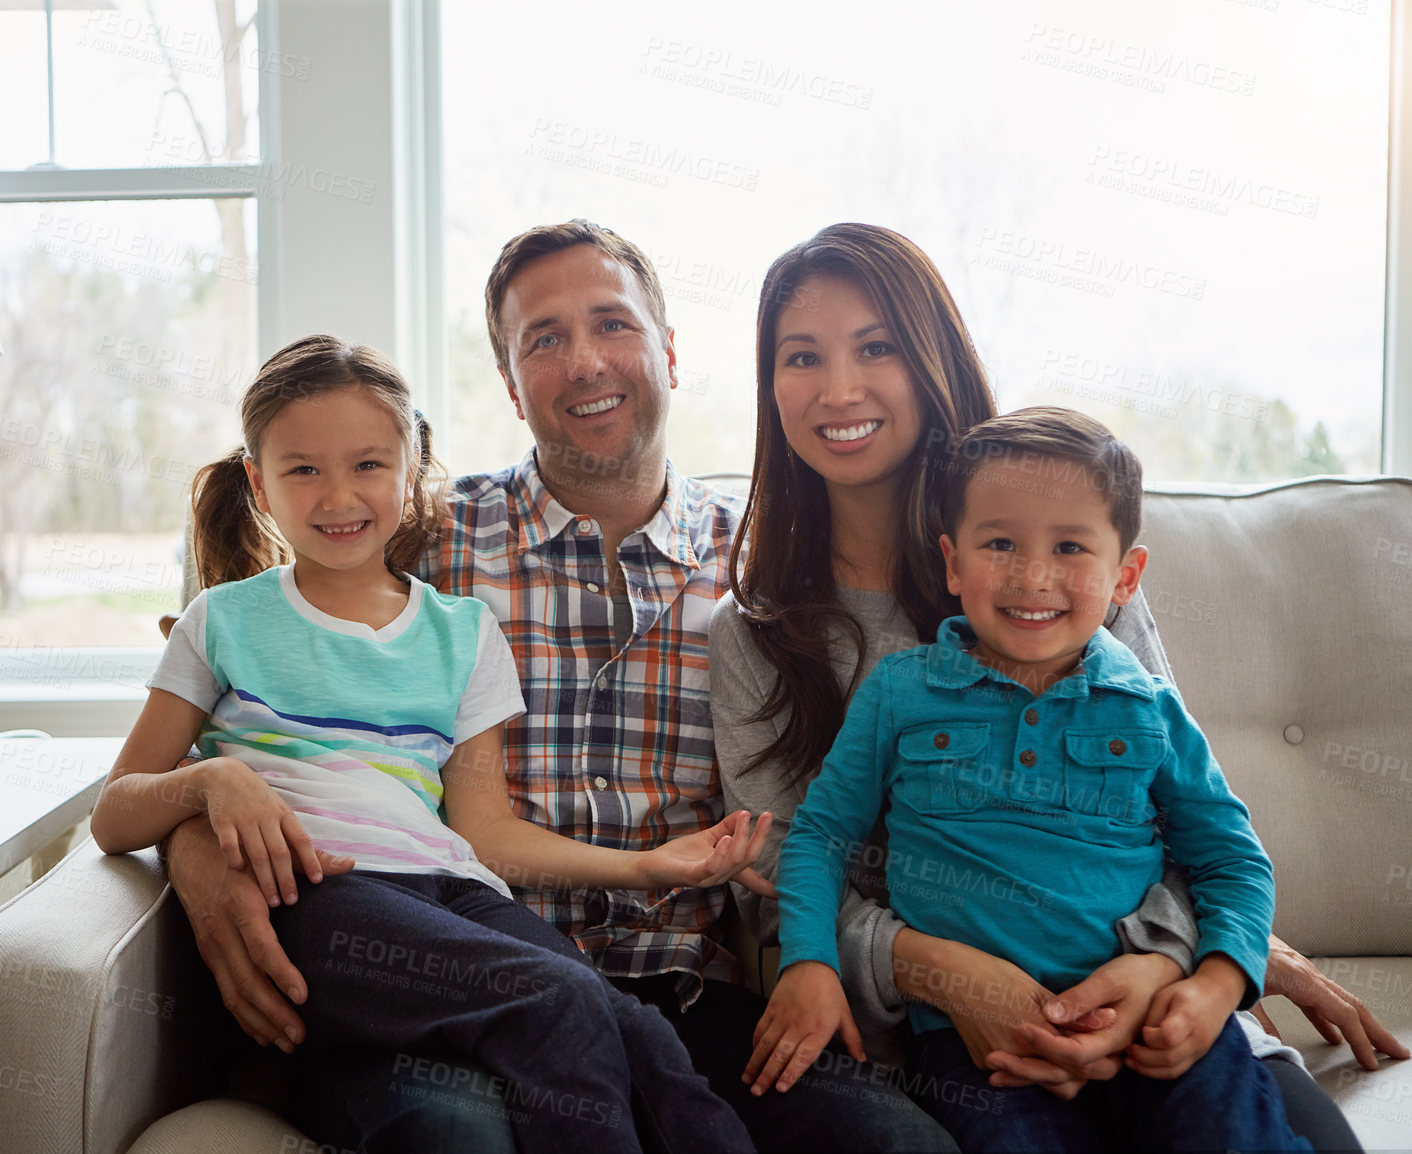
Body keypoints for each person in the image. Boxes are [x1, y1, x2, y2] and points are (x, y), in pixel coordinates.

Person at [713, 222, 1401, 1150]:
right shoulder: (760, 630)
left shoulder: (1076, 562)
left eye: (876, 346)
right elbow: (782, 866)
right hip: (944, 1035)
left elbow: (1189, 826)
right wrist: (951, 977)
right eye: (803, 356)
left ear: (931, 360)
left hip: (1148, 1002)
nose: (840, 388)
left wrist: (1185, 970)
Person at [89, 333, 758, 1154]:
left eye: (368, 464)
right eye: (303, 469)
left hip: (456, 891)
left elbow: (482, 831)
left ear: (411, 475)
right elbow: (113, 815)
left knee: (646, 1041)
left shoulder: (462, 631)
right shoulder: (222, 621)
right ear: (259, 484)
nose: (339, 494)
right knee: (555, 1000)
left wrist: (647, 868)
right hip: (317, 890)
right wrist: (208, 787)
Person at [746, 407, 1309, 1151]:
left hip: (1149, 1019)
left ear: (1125, 577)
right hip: (976, 1047)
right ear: (952, 563)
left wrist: (1215, 986)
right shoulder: (900, 693)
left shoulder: (1146, 705)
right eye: (1000, 543)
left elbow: (1231, 858)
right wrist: (810, 960)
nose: (1032, 576)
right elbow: (817, 836)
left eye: (1070, 546)